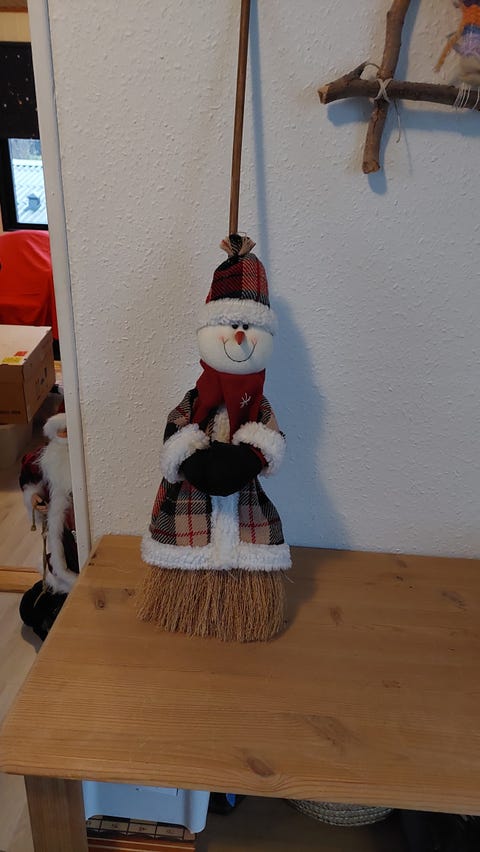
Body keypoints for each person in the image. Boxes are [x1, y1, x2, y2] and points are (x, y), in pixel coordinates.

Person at [18, 411, 78, 639]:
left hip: (79, 526)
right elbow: (29, 476)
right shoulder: (46, 457)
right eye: (60, 430)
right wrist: (34, 498)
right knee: (30, 608)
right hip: (60, 529)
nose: (64, 434)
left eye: (68, 430)